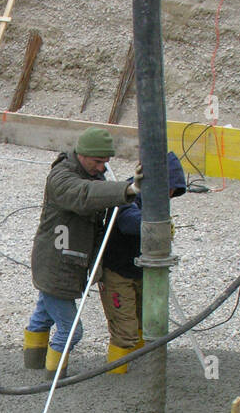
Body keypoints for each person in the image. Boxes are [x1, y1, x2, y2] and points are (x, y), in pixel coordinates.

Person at [25, 126, 140, 373]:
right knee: (71, 330)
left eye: (106, 162)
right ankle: (54, 374)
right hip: (56, 265)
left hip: (65, 263)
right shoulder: (61, 178)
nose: (103, 168)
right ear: (82, 154)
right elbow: (84, 195)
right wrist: (127, 190)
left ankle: (33, 363)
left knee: (43, 315)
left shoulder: (93, 175)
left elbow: (95, 191)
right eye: (98, 162)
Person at [100, 151, 188, 372]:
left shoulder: (157, 201)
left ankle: (137, 370)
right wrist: (157, 226)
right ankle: (116, 376)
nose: (169, 195)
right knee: (125, 330)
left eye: (173, 192)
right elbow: (129, 222)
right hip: (118, 273)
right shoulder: (127, 195)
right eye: (167, 189)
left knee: (144, 322)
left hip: (142, 272)